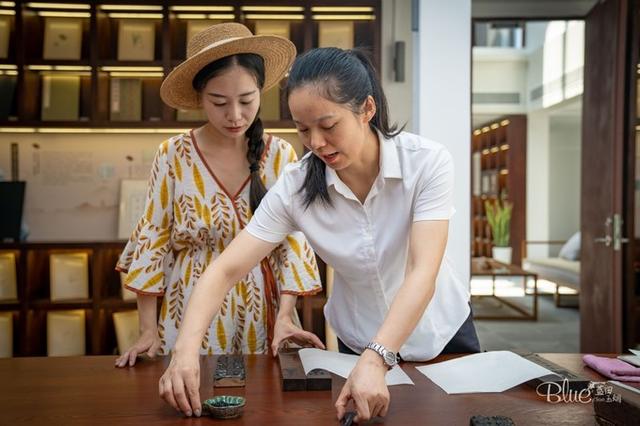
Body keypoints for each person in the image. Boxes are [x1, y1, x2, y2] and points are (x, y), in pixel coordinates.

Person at [158, 47, 480, 421]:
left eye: (328, 126)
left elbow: (422, 270)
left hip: (442, 333)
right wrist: (185, 349)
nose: (315, 143)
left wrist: (379, 358)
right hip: (357, 343)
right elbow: (226, 269)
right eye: (303, 129)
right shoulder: (296, 187)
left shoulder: (426, 162)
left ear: (367, 109)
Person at [114, 23, 323, 367]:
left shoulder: (280, 154)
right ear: (199, 97)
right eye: (219, 102)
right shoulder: (173, 154)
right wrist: (147, 330)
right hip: (189, 308)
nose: (235, 115)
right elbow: (153, 240)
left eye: (246, 100)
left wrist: (286, 314)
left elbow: (292, 243)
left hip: (263, 312)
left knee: (264, 410)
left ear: (261, 91)